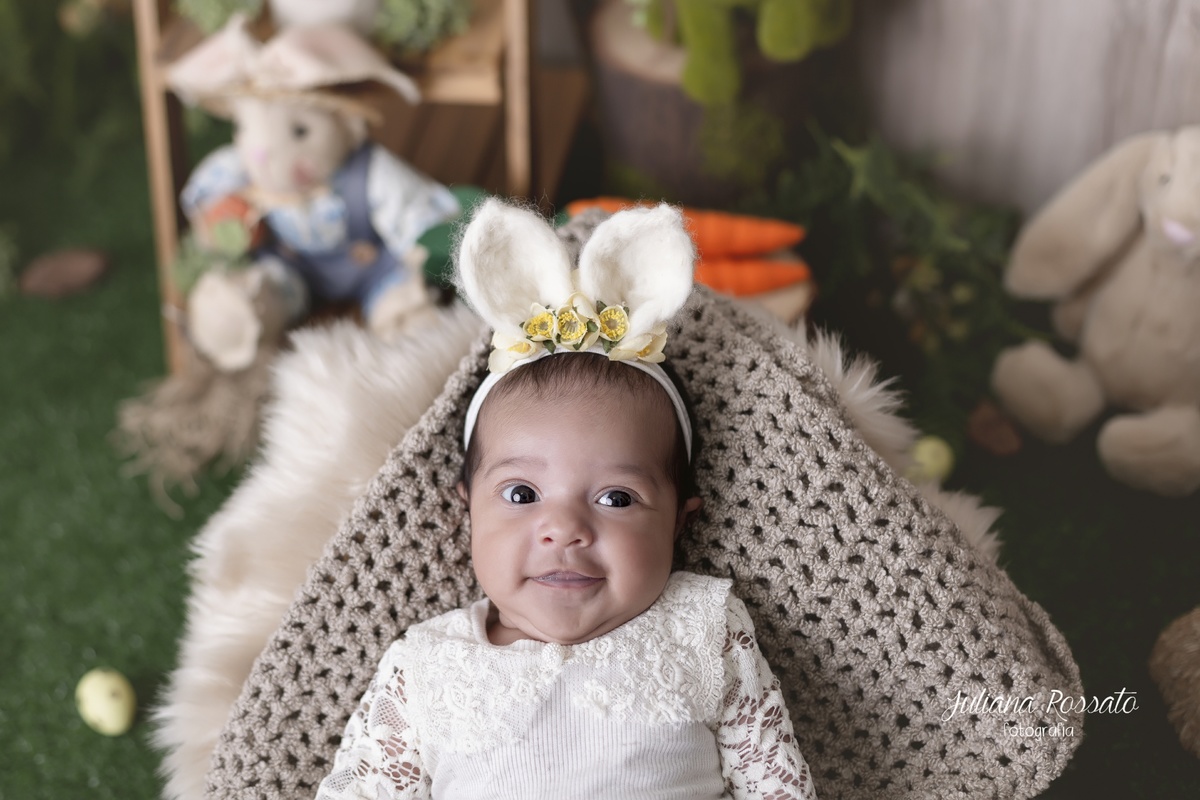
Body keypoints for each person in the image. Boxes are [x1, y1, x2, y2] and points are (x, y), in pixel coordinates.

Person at [313, 200, 818, 799]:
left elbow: (776, 786)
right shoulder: (426, 666)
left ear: (678, 524)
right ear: (468, 511)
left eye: (616, 497)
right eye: (522, 493)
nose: (564, 527)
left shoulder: (703, 631)